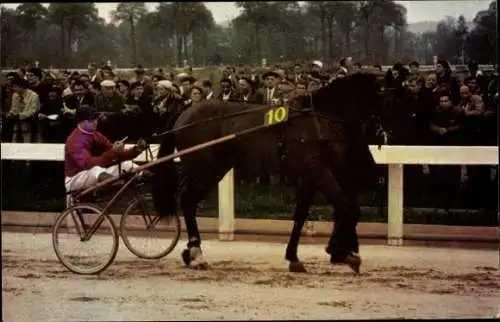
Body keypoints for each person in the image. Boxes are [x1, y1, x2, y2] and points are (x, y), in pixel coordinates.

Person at [64, 105, 148, 193]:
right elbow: (88, 164)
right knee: (95, 170)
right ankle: (120, 186)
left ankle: (150, 177)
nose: (95, 122)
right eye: (91, 120)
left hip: (97, 172)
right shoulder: (74, 140)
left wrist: (137, 149)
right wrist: (112, 152)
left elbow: (115, 153)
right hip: (73, 178)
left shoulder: (97, 135)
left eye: (96, 118)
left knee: (127, 164)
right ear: (80, 122)